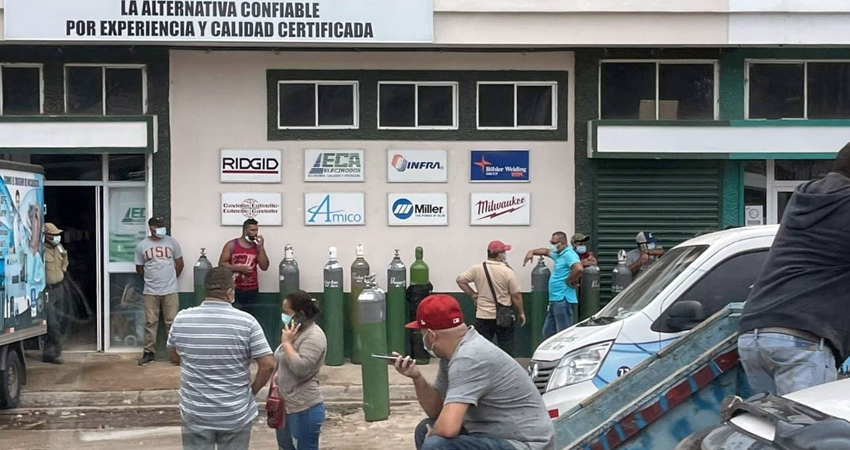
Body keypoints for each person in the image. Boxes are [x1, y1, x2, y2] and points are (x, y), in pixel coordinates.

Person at [737, 144, 850, 396]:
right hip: (801, 341)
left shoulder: (806, 198)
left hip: (755, 334)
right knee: (809, 422)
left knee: (774, 421)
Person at [394, 294, 554, 450]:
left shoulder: (470, 358)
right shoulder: (452, 355)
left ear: (431, 335)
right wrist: (417, 377)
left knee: (436, 445)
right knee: (425, 429)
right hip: (494, 436)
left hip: (526, 443)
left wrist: (432, 436)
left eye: (421, 333)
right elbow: (436, 412)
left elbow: (448, 428)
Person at [168, 267, 275, 450]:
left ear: (206, 290)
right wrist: (251, 391)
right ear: (230, 292)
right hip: (235, 412)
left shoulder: (182, 319)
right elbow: (268, 364)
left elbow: (173, 355)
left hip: (196, 411)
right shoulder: (247, 322)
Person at [275, 290, 327, 450]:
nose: (284, 316)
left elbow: (301, 368)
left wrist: (287, 344)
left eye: (287, 312)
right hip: (285, 406)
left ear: (300, 314)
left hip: (304, 407)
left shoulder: (314, 336)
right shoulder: (294, 332)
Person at [456, 240, 525, 355]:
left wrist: (473, 294)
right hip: (504, 316)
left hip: (483, 315)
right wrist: (521, 312)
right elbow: (516, 294)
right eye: (504, 252)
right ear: (500, 255)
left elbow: (460, 280)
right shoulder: (507, 272)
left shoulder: (477, 269)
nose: (505, 255)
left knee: (482, 348)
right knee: (506, 347)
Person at [136, 217, 184, 366]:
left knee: (172, 322)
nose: (162, 229)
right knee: (150, 322)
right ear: (151, 228)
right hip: (150, 291)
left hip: (170, 290)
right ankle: (149, 353)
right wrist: (150, 280)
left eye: (162, 226)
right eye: (158, 226)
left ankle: (175, 353)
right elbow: (139, 268)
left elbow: (180, 264)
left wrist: (170, 279)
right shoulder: (142, 245)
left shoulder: (172, 242)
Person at [523, 231, 583, 339]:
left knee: (562, 334)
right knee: (548, 332)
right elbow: (546, 251)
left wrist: (569, 280)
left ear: (562, 243)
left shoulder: (569, 254)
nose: (551, 245)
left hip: (563, 299)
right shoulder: (559, 254)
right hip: (555, 300)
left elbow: (578, 269)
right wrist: (531, 252)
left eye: (554, 243)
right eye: (551, 242)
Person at [218, 218, 269, 318]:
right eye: (252, 230)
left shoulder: (257, 247)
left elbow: (264, 266)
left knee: (249, 316)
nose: (255, 233)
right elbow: (221, 264)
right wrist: (239, 268)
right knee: (234, 316)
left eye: (256, 230)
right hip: (234, 288)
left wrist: (261, 248)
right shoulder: (231, 245)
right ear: (245, 230)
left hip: (252, 289)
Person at [42, 222, 68, 364]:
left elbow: (65, 258)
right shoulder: (40, 250)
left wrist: (63, 270)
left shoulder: (58, 246)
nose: (57, 237)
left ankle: (50, 353)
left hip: (59, 288)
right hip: (48, 291)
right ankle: (55, 351)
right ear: (46, 236)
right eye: (53, 235)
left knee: (59, 320)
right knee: (51, 324)